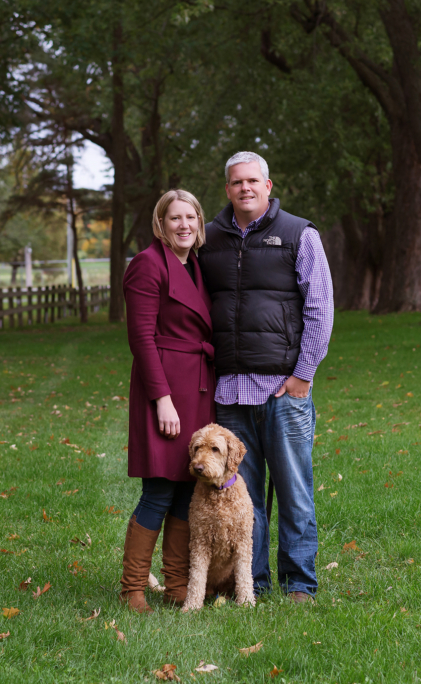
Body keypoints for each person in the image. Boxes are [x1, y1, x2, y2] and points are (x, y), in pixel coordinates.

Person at [196, 151, 333, 603]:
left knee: (294, 492)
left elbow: (320, 309)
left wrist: (303, 375)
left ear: (268, 186)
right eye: (237, 182)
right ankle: (249, 584)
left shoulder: (299, 234)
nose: (245, 189)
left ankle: (300, 584)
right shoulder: (209, 239)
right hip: (231, 393)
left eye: (253, 181)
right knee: (241, 500)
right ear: (228, 189)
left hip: (283, 391)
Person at [120, 189, 216, 613]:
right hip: (164, 389)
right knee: (158, 491)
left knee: (186, 491)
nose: (184, 225)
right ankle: (133, 589)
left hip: (197, 388)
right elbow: (140, 338)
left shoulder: (195, 265)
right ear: (161, 224)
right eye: (174, 218)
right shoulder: (147, 264)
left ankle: (178, 585)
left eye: (190, 217)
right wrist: (161, 399)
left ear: (199, 223)